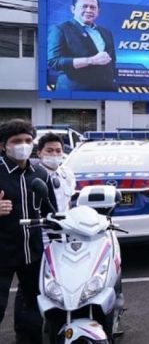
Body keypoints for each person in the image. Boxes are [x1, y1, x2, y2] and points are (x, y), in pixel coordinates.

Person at [0, 119, 57, 344]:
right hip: (2, 253)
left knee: (33, 307)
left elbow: (52, 212)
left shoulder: (40, 174)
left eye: (27, 140)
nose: (23, 145)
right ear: (3, 145)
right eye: (16, 141)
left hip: (32, 254)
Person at [47, 0, 117, 91]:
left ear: (98, 11)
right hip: (75, 92)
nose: (89, 10)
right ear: (73, 9)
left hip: (106, 91)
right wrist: (91, 60)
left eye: (93, 7)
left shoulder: (106, 32)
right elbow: (54, 62)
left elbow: (112, 60)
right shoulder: (60, 29)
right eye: (84, 6)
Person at [36, 133, 76, 213]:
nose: (54, 154)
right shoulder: (33, 175)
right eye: (49, 151)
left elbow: (69, 202)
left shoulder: (68, 174)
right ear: (39, 153)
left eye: (58, 151)